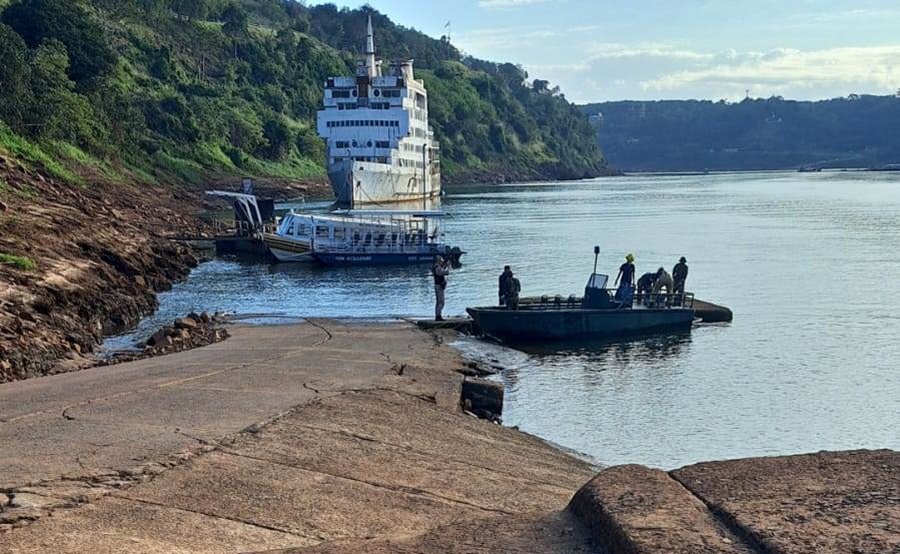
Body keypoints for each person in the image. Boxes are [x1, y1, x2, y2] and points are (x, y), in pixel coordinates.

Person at [432, 255, 450, 321]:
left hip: (438, 286)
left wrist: (445, 265)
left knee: (439, 302)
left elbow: (442, 270)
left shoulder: (436, 267)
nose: (441, 262)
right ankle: (438, 316)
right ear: (438, 261)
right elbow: (446, 272)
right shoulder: (437, 268)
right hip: (439, 286)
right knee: (441, 302)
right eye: (441, 261)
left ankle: (438, 315)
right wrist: (448, 266)